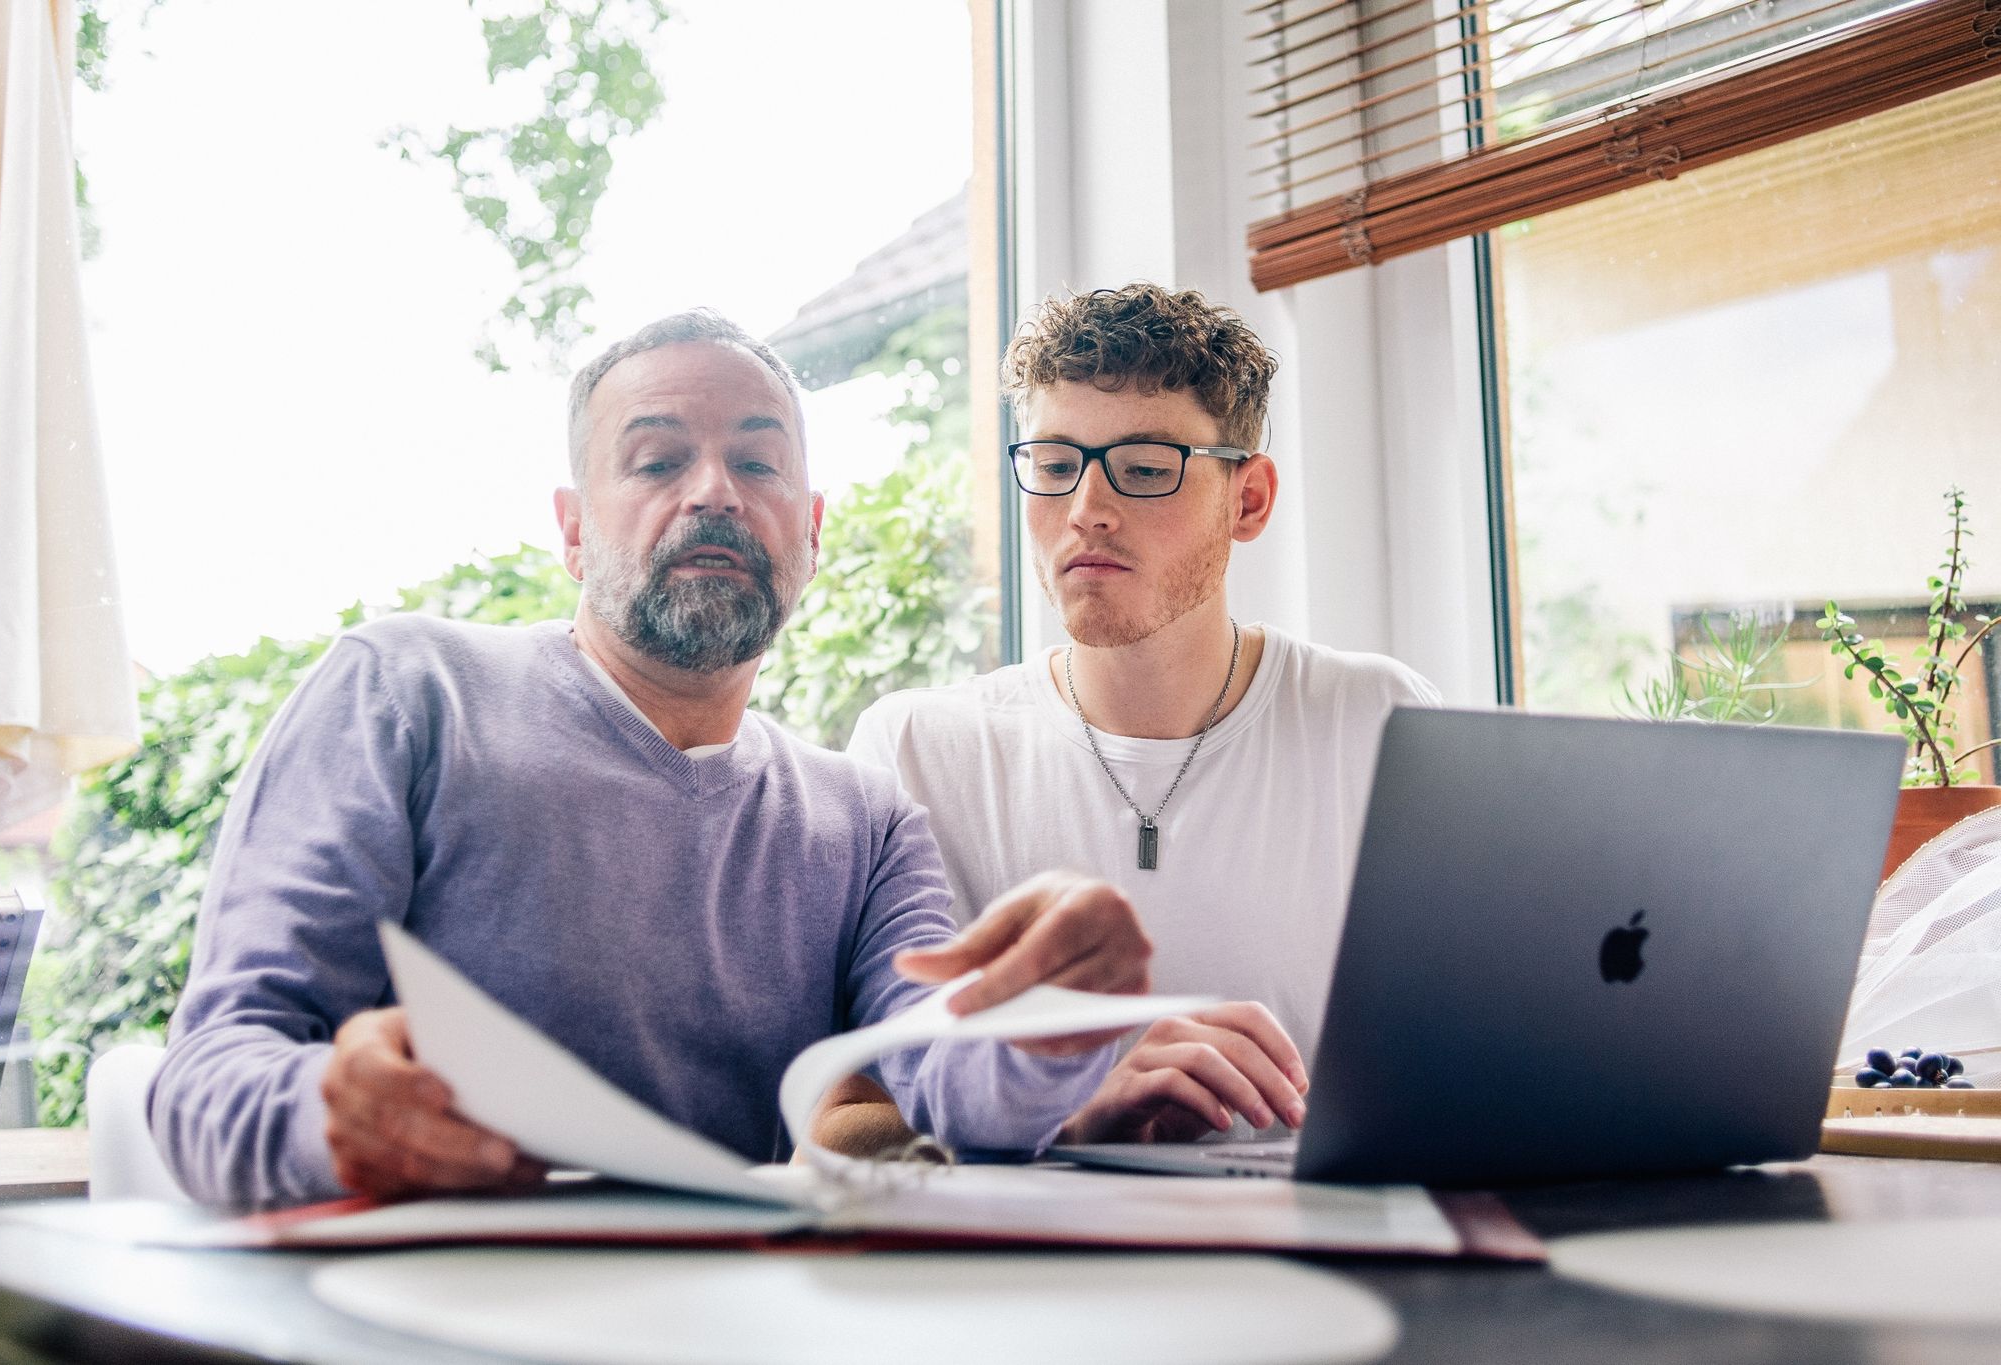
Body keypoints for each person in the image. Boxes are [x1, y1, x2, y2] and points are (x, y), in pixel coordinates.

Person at [150, 310, 1153, 1211]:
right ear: (574, 532)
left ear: (809, 532)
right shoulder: (407, 692)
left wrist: (1054, 1025)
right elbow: (205, 1077)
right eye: (657, 461)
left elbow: (943, 1092)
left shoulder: (865, 822)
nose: (713, 492)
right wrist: (324, 1112)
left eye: (758, 466)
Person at [836, 284, 1439, 1148]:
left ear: (1250, 501)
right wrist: (1066, 1108)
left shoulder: (1381, 722)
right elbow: (840, 1124)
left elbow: (1462, 1070)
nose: (1086, 508)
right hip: (1038, 1275)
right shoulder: (918, 751)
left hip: (1324, 1256)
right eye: (1053, 465)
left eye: (1147, 468)